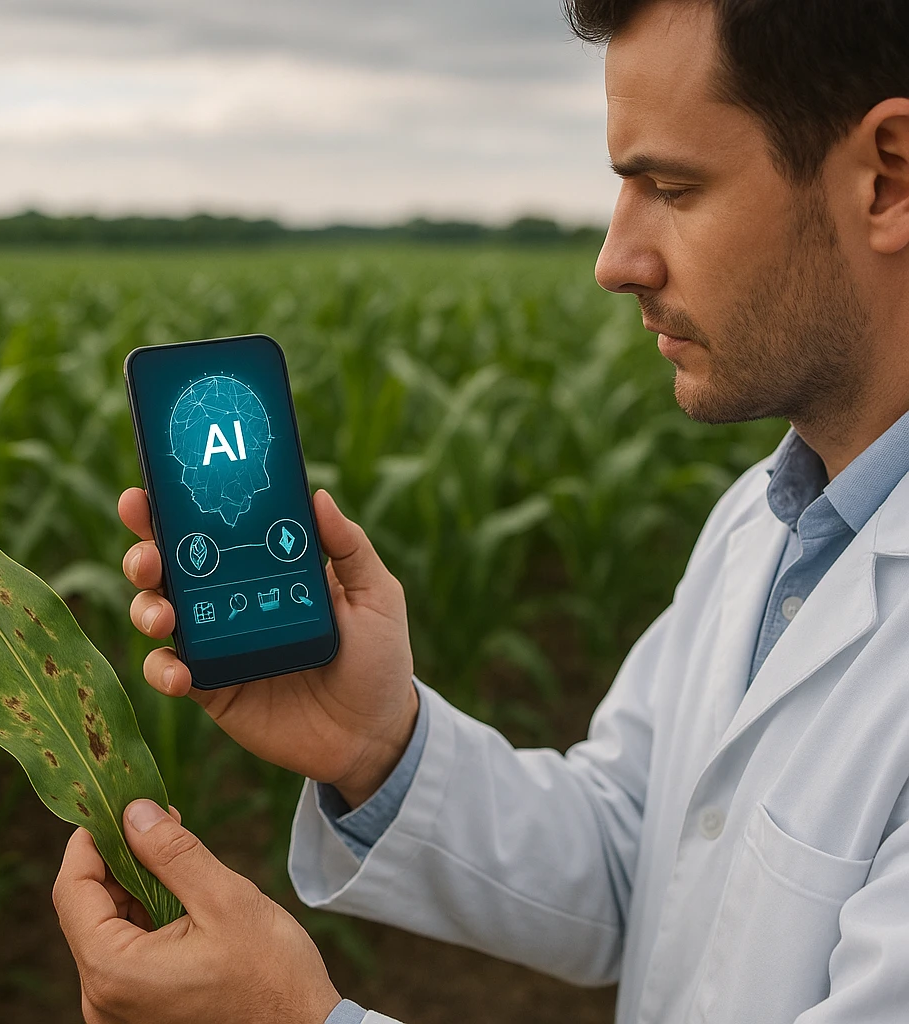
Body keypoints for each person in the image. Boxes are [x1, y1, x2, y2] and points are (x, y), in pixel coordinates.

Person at [51, 0, 909, 1020]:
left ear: (887, 175)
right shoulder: (771, 518)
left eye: (671, 188)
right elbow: (642, 853)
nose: (615, 259)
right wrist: (378, 745)